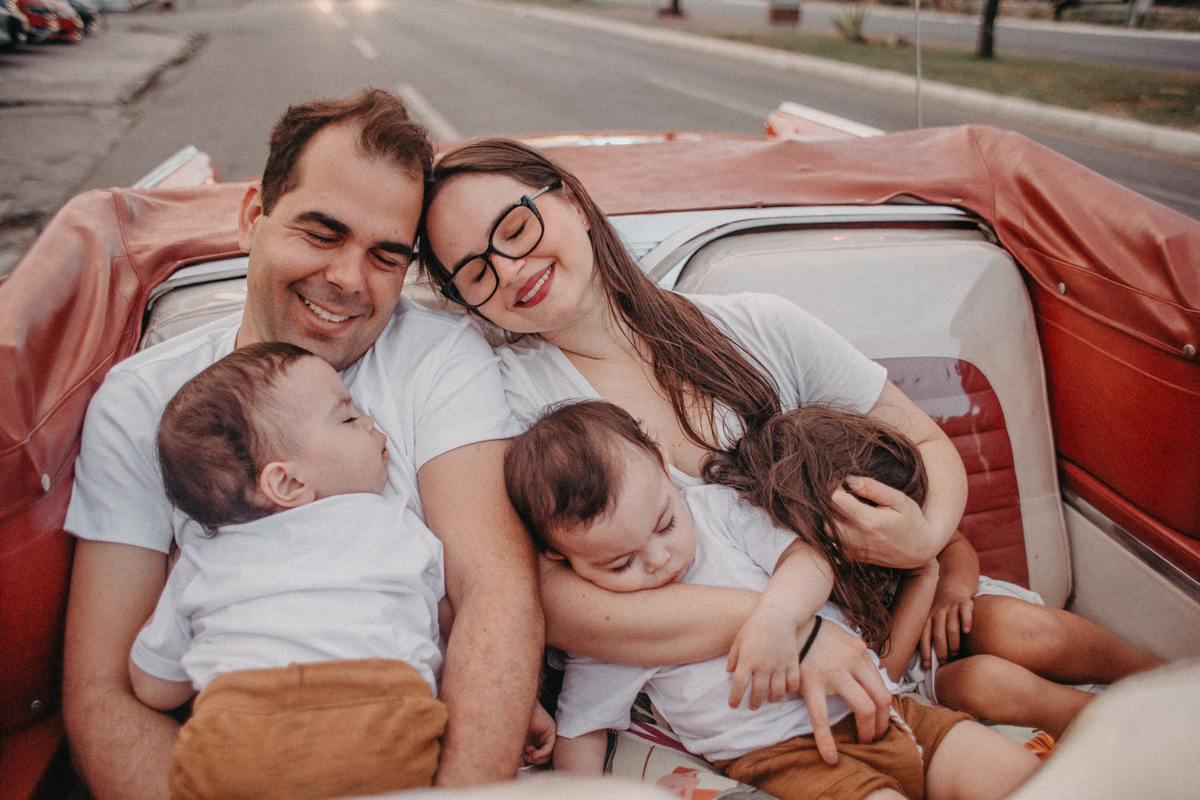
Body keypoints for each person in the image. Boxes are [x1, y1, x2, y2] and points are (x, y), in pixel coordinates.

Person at [418, 137, 969, 763]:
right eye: (476, 273)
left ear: (570, 200)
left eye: (516, 229)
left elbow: (926, 441)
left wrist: (925, 540)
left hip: (890, 626)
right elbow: (550, 601)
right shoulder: (506, 399)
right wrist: (785, 623)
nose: (510, 270)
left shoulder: (760, 325)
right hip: (740, 714)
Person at [63, 90, 543, 800]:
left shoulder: (439, 358)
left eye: (386, 256)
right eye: (322, 234)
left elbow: (494, 591)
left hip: (417, 760)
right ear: (252, 217)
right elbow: (103, 693)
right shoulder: (141, 402)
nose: (348, 280)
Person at [504, 401, 1040, 800]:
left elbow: (808, 558)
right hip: (786, 758)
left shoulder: (718, 512)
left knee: (1019, 776)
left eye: (665, 524)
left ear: (663, 465)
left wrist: (778, 617)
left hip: (888, 709)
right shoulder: (611, 633)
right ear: (558, 557)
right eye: (620, 564)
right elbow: (582, 732)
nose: (660, 559)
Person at [129, 342, 554, 799]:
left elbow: (154, 687)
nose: (370, 422)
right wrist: (521, 700)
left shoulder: (200, 561)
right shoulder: (391, 523)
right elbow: (459, 626)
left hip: (237, 744)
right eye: (349, 419)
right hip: (384, 733)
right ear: (287, 482)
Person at [904, 532, 1162, 739]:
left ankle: (1158, 677)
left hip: (950, 593)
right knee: (981, 683)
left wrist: (952, 591)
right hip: (907, 661)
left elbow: (953, 543)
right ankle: (1128, 726)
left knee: (1009, 624)